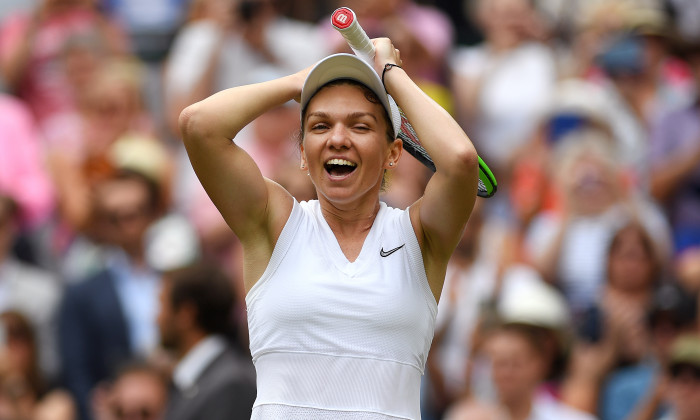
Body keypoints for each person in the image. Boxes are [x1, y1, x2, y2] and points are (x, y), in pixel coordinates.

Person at [179, 34, 479, 419]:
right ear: (303, 154)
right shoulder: (272, 222)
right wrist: (297, 81)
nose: (338, 138)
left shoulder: (422, 237)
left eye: (360, 126)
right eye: (320, 126)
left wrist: (393, 75)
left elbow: (460, 160)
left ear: (393, 152)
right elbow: (197, 123)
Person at [158, 261, 256, 420]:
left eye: (161, 305)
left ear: (185, 314)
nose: (156, 318)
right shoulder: (195, 382)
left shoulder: (231, 386)